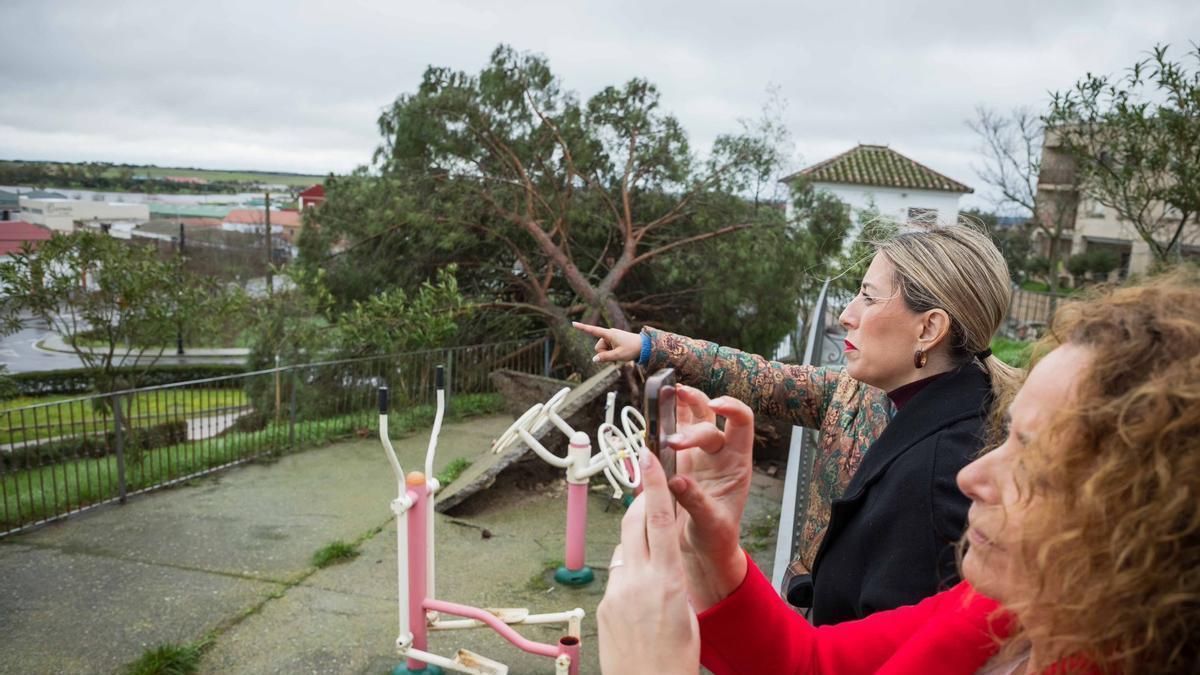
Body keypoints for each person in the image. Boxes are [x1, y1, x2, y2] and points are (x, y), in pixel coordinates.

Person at [598, 271, 1200, 674]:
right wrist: (713, 555)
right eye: (1008, 435)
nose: (975, 479)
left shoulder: (943, 478)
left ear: (1144, 519)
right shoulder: (1007, 606)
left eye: (1035, 460)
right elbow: (813, 660)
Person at [576, 222, 1019, 624]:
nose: (847, 314)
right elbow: (762, 377)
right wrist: (651, 347)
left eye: (868, 296)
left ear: (929, 329)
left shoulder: (957, 468)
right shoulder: (857, 392)